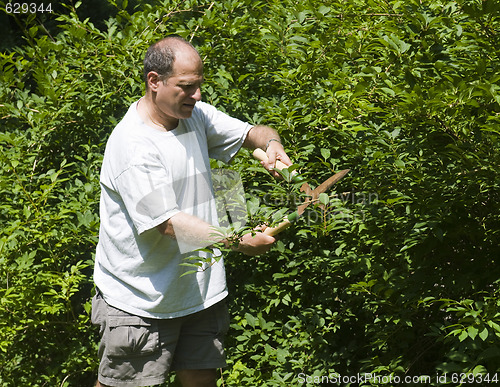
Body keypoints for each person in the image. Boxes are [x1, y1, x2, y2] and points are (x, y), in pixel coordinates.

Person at [92, 36, 292, 387]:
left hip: (199, 292)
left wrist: (272, 145)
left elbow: (252, 133)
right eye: (187, 87)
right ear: (154, 82)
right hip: (141, 301)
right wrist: (236, 240)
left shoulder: (193, 115)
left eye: (199, 85)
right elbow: (166, 224)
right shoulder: (133, 146)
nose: (197, 95)